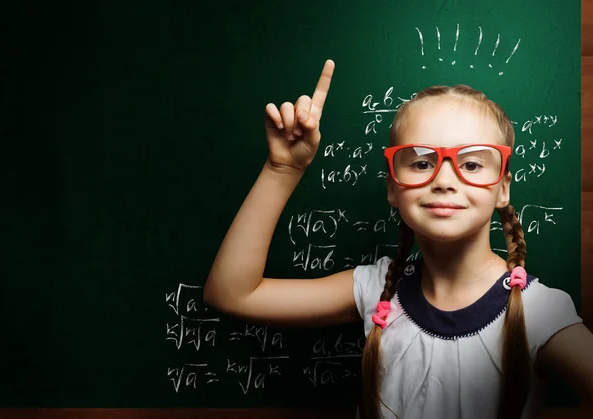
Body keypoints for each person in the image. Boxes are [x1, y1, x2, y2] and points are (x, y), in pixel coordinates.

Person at [203, 59, 593, 419]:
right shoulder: (377, 289)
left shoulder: (539, 312)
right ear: (393, 187)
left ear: (502, 188)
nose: (444, 179)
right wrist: (282, 169)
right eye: (421, 162)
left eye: (472, 163)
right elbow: (233, 293)